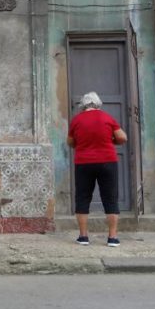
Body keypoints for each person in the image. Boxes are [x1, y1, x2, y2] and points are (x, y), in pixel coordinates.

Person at [67, 91, 127, 247]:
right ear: (98, 104)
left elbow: (70, 142)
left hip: (83, 163)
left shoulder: (76, 120)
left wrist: (81, 145)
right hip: (107, 161)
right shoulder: (107, 118)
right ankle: (112, 238)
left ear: (83, 105)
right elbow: (123, 138)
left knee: (83, 197)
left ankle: (83, 236)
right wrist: (111, 140)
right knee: (110, 198)